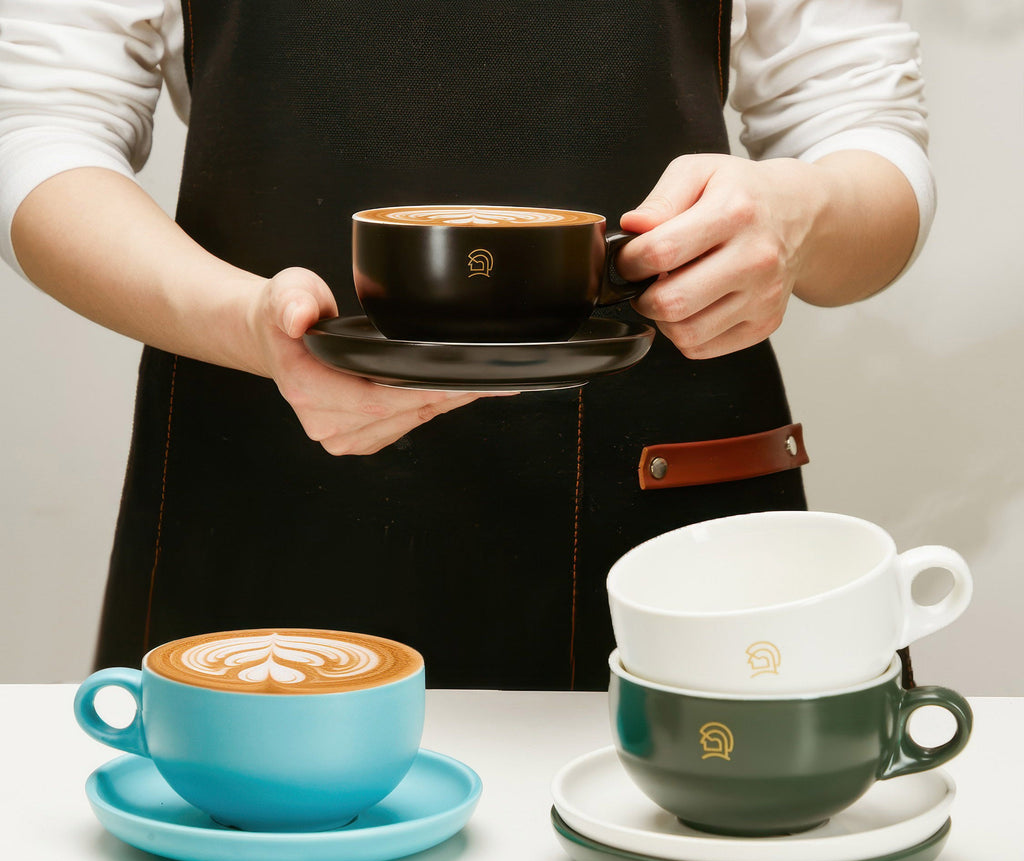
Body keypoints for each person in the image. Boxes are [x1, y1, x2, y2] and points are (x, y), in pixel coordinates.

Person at [0, 1, 932, 690]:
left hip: (669, 523)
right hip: (267, 504)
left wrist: (805, 213)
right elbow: (42, 137)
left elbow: (866, 136)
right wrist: (248, 325)